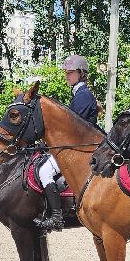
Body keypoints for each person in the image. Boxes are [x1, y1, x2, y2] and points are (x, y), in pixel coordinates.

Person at [36, 55, 98, 231]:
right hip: (75, 145)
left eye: (70, 72)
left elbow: (73, 128)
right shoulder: (79, 94)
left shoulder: (83, 95)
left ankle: (56, 217)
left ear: (81, 73)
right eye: (66, 72)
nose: (67, 75)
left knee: (45, 171)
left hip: (78, 148)